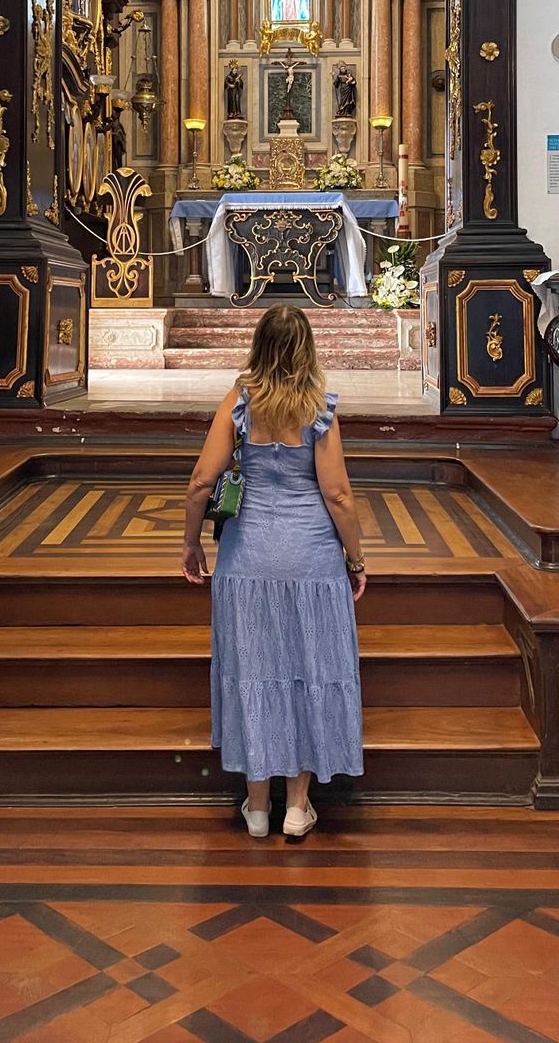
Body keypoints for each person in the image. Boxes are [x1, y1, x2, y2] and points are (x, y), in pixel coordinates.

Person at [181, 305, 365, 839]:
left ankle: (257, 806)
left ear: (259, 345)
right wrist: (356, 560)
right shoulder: (319, 409)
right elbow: (337, 494)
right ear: (307, 348)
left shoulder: (240, 402)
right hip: (311, 560)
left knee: (256, 672)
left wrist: (192, 543)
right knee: (308, 670)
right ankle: (297, 806)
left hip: (248, 560)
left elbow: (200, 482)